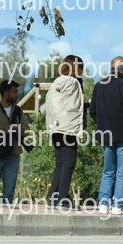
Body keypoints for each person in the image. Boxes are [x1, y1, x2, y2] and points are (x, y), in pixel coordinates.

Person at [90, 56, 123, 215]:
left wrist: (103, 125)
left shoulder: (99, 86)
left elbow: (93, 111)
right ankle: (118, 206)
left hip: (106, 136)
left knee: (108, 171)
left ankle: (103, 204)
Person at [45, 55, 84, 209]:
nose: (82, 71)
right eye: (81, 67)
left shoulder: (57, 82)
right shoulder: (73, 82)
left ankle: (53, 198)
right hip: (67, 128)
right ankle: (62, 199)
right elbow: (73, 106)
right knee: (69, 163)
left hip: (55, 128)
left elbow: (59, 104)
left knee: (60, 164)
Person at [0, 80, 29, 204]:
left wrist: (22, 130)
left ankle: (5, 213)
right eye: (14, 92)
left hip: (13, 155)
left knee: (9, 192)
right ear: (5, 93)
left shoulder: (18, 111)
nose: (17, 94)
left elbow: (27, 130)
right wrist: (2, 129)